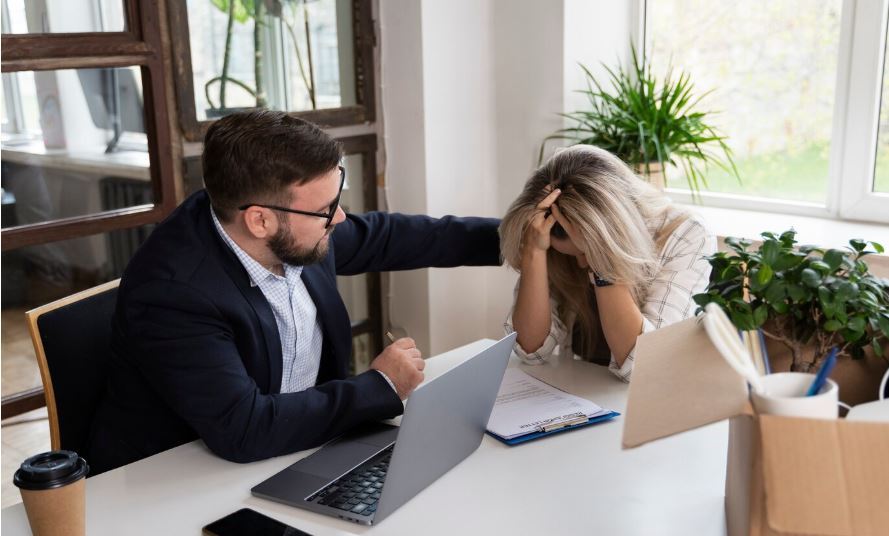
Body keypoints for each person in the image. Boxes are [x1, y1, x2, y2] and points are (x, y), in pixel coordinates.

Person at [88, 110, 501, 474]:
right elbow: (243, 429)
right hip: (174, 485)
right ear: (259, 221)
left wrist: (514, 237)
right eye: (326, 210)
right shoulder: (173, 293)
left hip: (298, 450)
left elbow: (390, 237)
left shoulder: (292, 226)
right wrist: (381, 385)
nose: (339, 217)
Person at [499, 145, 715, 382]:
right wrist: (534, 252)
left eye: (584, 254)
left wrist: (602, 257)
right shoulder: (549, 238)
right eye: (572, 254)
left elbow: (642, 366)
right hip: (583, 391)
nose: (582, 265)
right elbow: (532, 351)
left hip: (653, 401)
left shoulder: (685, 234)